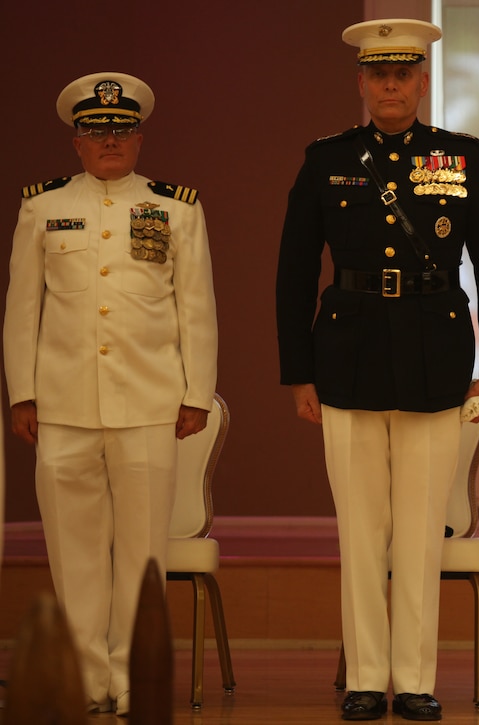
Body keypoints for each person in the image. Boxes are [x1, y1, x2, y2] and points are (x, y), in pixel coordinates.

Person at [275, 18, 479, 722]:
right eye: (377, 74)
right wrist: (299, 373)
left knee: (420, 531)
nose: (390, 85)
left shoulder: (461, 157)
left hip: (436, 359)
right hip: (343, 358)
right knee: (359, 530)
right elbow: (294, 273)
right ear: (361, 83)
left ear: (422, 80)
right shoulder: (326, 160)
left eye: (402, 73)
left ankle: (412, 678)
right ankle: (363, 678)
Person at [3, 71, 219, 715]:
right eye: (96, 133)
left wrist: (196, 393)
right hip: (62, 405)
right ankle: (83, 676)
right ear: (76, 142)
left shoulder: (175, 206)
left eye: (121, 131)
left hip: (149, 404)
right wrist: (22, 393)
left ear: (140, 137)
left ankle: (130, 675)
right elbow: (21, 309)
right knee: (72, 551)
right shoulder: (41, 206)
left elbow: (196, 309)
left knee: (142, 551)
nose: (109, 142)